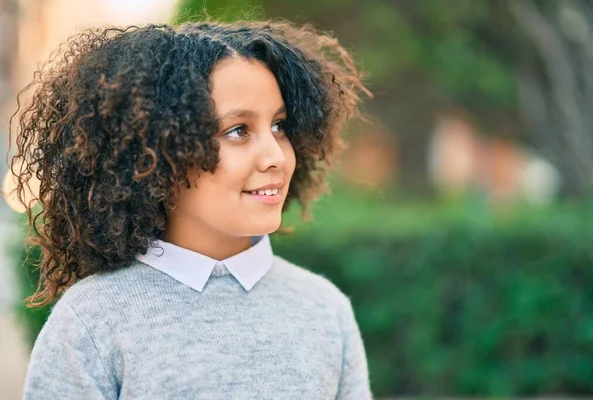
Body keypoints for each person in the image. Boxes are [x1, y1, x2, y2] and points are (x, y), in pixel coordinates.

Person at [10, 19, 372, 399]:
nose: (276, 156)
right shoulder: (93, 321)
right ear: (159, 153)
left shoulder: (324, 310)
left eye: (279, 126)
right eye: (238, 130)